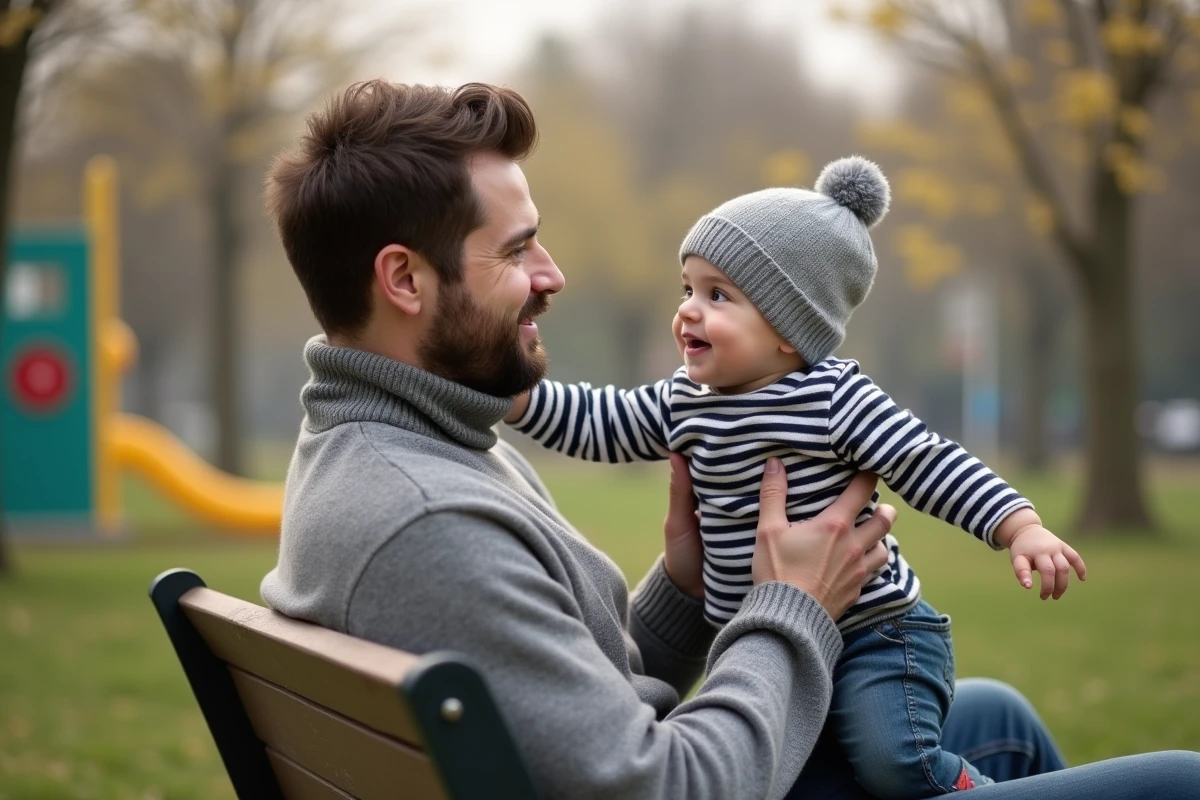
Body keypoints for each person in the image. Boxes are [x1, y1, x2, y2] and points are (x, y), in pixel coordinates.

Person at [259, 79, 1200, 799]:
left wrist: (678, 584)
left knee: (992, 716)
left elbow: (564, 699)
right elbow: (663, 785)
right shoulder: (426, 522)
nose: (552, 275)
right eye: (514, 250)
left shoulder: (411, 447)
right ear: (405, 279)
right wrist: (794, 605)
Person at [502, 157, 1087, 797]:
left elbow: (929, 461)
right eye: (687, 289)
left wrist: (1019, 526)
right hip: (756, 635)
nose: (689, 312)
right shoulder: (683, 401)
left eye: (718, 295)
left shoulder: (835, 398)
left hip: (874, 636)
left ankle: (971, 788)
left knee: (897, 765)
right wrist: (519, 397)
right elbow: (601, 421)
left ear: (790, 329)